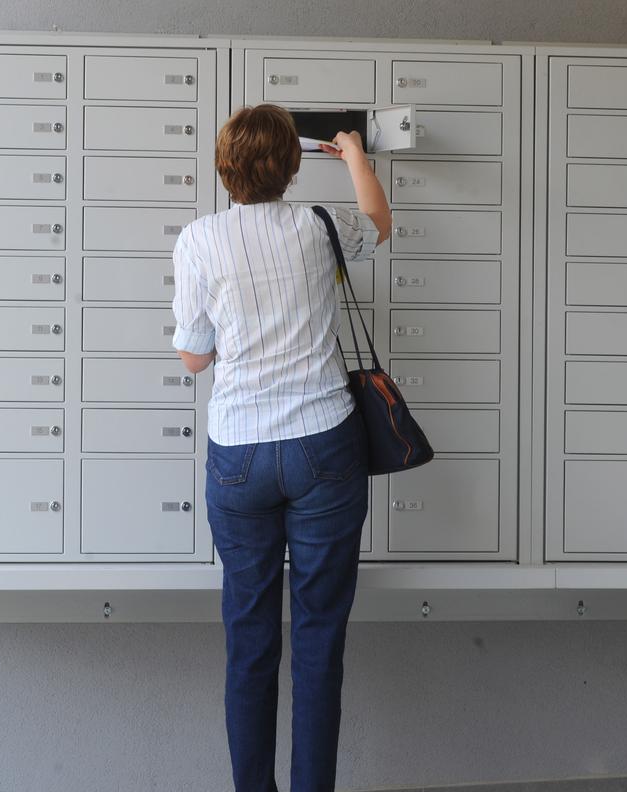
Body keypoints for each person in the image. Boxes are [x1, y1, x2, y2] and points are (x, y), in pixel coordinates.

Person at [170, 104, 391, 792]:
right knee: (320, 639)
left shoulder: (200, 239)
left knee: (250, 639)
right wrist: (354, 156)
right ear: (293, 167)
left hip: (238, 455)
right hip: (324, 445)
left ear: (224, 168)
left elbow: (193, 360)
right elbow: (381, 227)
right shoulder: (319, 227)